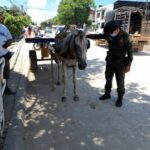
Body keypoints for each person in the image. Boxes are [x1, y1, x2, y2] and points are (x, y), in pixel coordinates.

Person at [86, 20, 133, 107]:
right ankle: (107, 94)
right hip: (110, 61)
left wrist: (128, 65)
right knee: (108, 78)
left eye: (111, 32)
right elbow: (98, 36)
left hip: (120, 62)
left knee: (120, 81)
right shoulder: (109, 34)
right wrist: (87, 35)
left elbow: (130, 53)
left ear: (117, 29)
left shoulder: (125, 37)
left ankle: (120, 98)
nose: (110, 34)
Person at [0, 14, 15, 95]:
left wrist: (8, 44)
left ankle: (5, 89)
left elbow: (10, 39)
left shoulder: (3, 27)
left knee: (5, 73)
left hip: (4, 55)